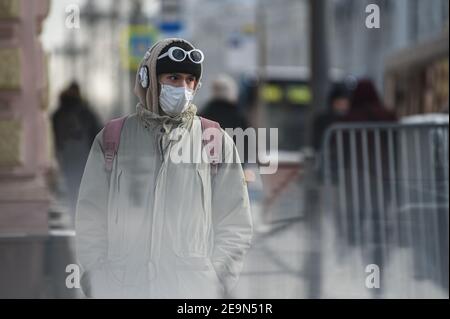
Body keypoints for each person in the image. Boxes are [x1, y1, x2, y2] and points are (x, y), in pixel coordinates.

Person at [75, 38, 253, 299]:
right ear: (149, 80)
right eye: (173, 78)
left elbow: (235, 221)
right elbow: (91, 215)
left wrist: (215, 279)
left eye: (189, 80)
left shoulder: (213, 140)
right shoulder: (113, 137)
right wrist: (95, 275)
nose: (183, 87)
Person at [51, 81, 101, 226]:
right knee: (87, 191)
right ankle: (85, 221)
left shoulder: (58, 114)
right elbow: (97, 134)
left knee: (73, 190)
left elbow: (56, 138)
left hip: (67, 158)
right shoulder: (86, 112)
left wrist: (58, 155)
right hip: (84, 158)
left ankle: (75, 220)